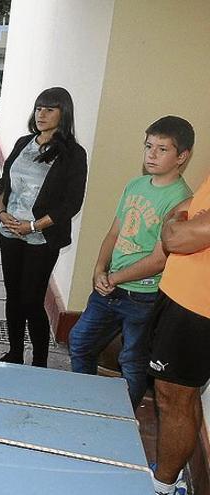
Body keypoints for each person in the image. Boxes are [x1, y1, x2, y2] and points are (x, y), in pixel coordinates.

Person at [68, 116, 193, 408]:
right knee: (80, 341)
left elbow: (159, 260)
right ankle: (84, 405)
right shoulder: (135, 185)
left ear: (182, 156)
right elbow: (114, 233)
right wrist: (100, 269)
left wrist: (115, 278)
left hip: (143, 296)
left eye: (162, 149)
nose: (151, 154)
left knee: (132, 362)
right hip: (110, 287)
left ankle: (122, 418)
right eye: (149, 146)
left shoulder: (181, 199)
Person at [0, 87, 87, 368]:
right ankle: (15, 353)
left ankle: (40, 361)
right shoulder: (24, 143)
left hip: (41, 237)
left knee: (32, 299)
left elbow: (71, 203)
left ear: (63, 113)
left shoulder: (73, 154)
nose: (41, 114)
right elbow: (4, 183)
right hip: (9, 231)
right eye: (38, 108)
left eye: (49, 109)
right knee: (13, 295)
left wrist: (33, 225)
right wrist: (2, 212)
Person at [148, 164, 210, 495]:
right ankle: (170, 476)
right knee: (179, 395)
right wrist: (178, 222)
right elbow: (182, 208)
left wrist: (176, 226)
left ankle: (163, 487)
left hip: (199, 308)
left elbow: (176, 235)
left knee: (174, 398)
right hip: (180, 295)